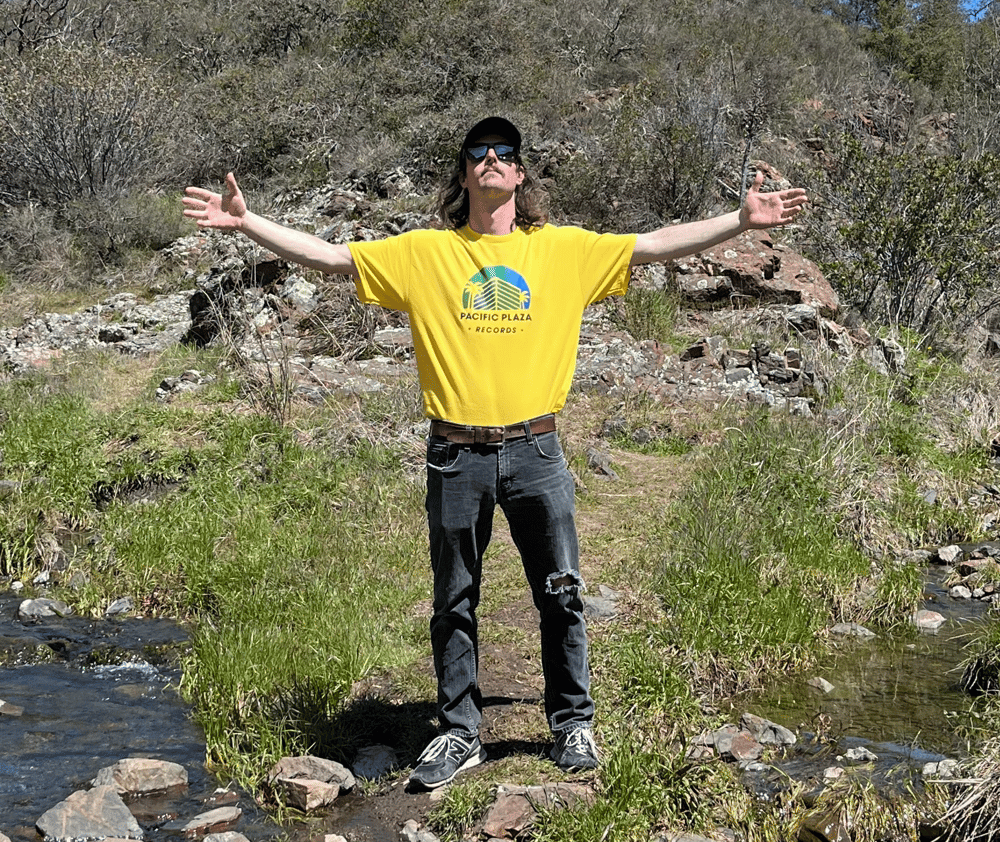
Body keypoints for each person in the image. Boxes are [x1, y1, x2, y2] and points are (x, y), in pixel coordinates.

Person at [183, 116, 808, 790]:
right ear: (463, 174)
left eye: (502, 153)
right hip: (457, 456)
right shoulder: (424, 253)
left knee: (561, 594)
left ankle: (572, 723)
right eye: (476, 152)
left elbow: (654, 245)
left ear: (518, 173)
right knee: (454, 601)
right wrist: (249, 225)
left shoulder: (563, 251)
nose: (489, 160)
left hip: (537, 449)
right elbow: (332, 257)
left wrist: (739, 222)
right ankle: (459, 733)